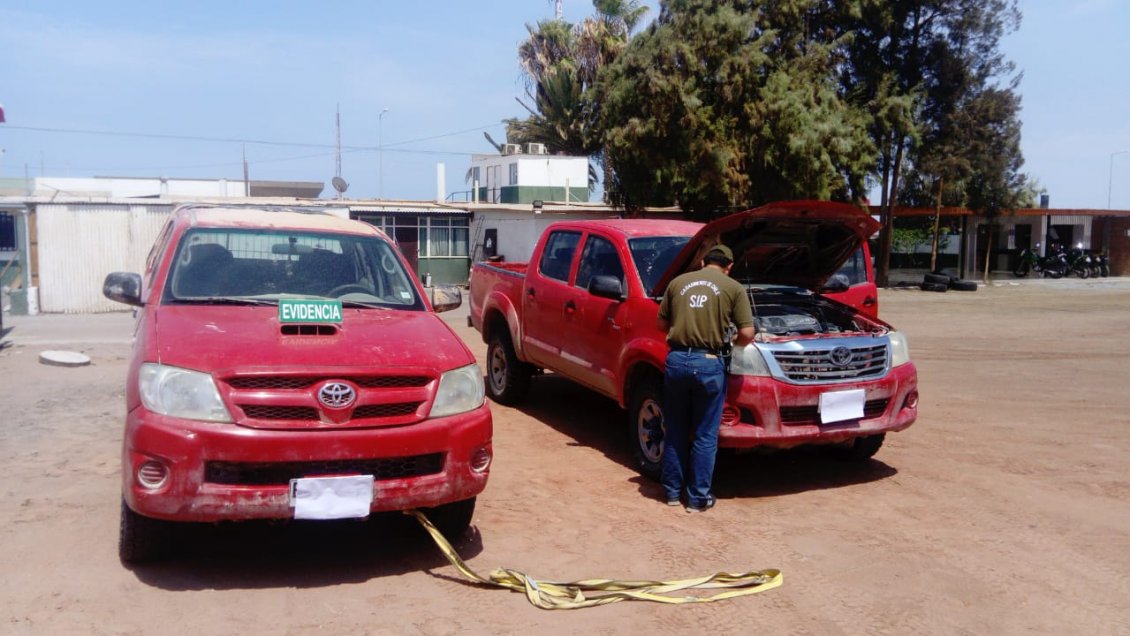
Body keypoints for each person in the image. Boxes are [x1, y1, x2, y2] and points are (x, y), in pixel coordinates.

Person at [656, 244, 755, 512]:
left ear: (702, 262)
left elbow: (662, 324)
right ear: (729, 266)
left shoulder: (678, 283)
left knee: (675, 429)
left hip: (676, 361)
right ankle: (698, 499)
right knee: (704, 435)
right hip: (710, 364)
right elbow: (747, 333)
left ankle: (672, 493)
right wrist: (730, 340)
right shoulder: (733, 288)